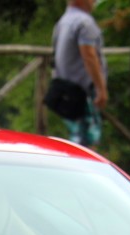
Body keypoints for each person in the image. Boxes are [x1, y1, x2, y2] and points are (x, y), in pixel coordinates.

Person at [52, 0, 109, 148]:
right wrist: (100, 89)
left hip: (66, 90)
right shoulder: (84, 23)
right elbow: (89, 55)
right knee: (88, 143)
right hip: (83, 92)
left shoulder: (63, 22)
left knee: (74, 139)